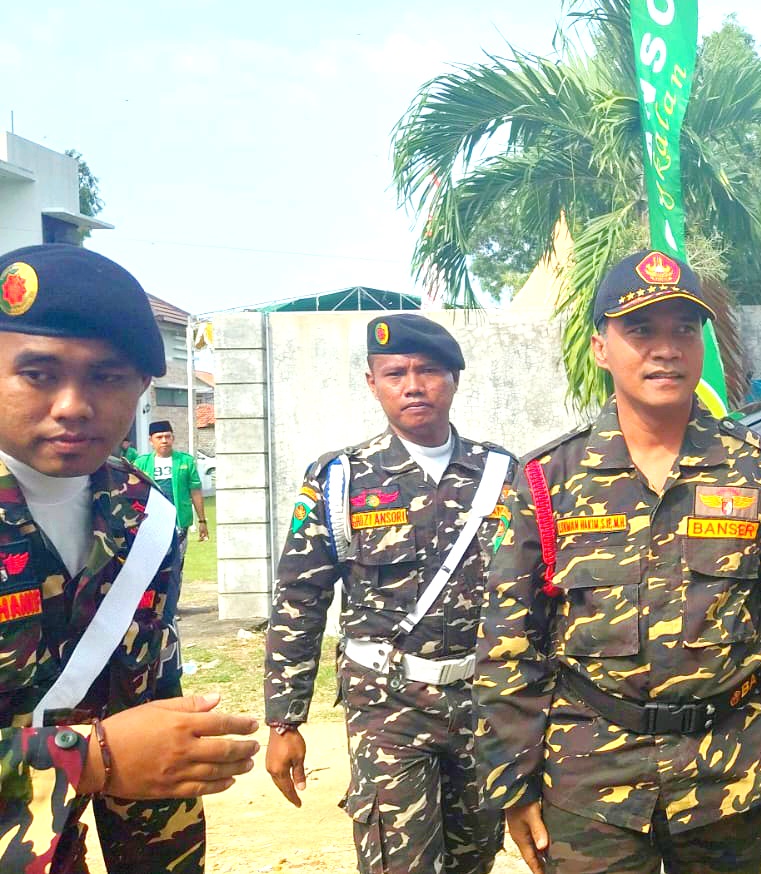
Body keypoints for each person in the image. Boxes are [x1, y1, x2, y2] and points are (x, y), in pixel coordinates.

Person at [474, 250, 761, 874]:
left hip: (726, 777)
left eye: (683, 329)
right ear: (601, 348)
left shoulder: (755, 468)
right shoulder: (548, 480)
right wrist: (512, 784)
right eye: (640, 330)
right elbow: (510, 643)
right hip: (589, 783)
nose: (665, 349)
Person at [0, 245, 259, 873]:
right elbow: (117, 750)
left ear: (142, 387)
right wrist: (89, 759)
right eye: (37, 373)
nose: (73, 405)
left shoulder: (145, 514)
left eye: (107, 377)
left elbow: (141, 700)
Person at [263, 314, 514, 874]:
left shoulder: (501, 474)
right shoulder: (339, 480)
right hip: (388, 704)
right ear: (372, 384)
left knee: (476, 855)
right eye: (394, 372)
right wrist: (285, 721)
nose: (413, 385)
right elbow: (299, 600)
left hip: (482, 704)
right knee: (398, 862)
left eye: (428, 370)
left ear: (454, 379)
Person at [134, 420, 208, 543]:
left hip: (179, 520)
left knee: (178, 559)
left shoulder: (186, 461)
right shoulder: (141, 463)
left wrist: (202, 521)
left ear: (173, 438)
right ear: (151, 440)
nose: (164, 440)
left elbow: (195, 492)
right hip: (151, 521)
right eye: (159, 437)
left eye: (167, 436)